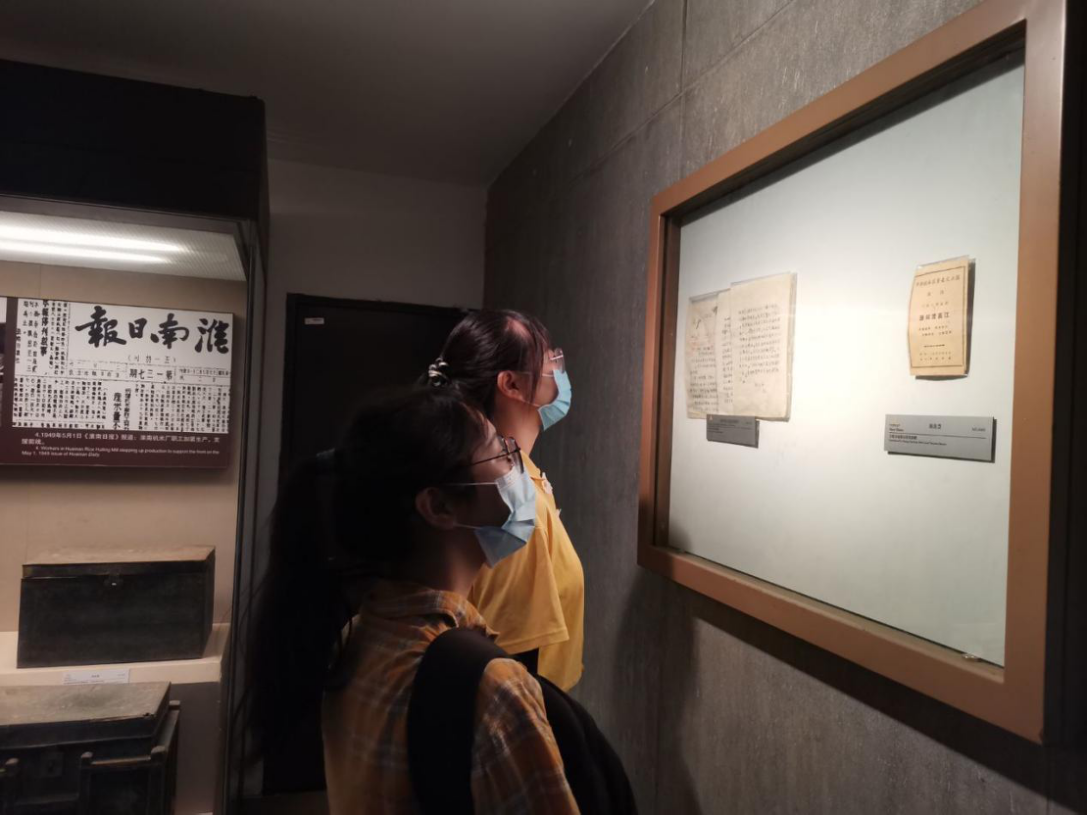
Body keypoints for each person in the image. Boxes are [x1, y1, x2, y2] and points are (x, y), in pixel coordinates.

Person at [247, 386, 580, 813]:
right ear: (439, 506)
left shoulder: (357, 639)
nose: (514, 465)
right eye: (499, 452)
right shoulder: (492, 692)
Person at [431, 310, 583, 689]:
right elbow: (509, 667)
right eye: (548, 360)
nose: (558, 369)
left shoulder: (517, 473)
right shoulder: (508, 500)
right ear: (511, 384)